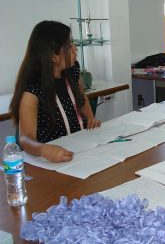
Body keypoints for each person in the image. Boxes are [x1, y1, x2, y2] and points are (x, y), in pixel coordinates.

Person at [9, 21, 101, 163]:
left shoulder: (73, 70)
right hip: (52, 158)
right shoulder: (32, 91)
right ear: (53, 56)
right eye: (69, 46)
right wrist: (43, 150)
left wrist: (90, 119)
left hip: (82, 148)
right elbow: (25, 139)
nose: (75, 49)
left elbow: (81, 98)